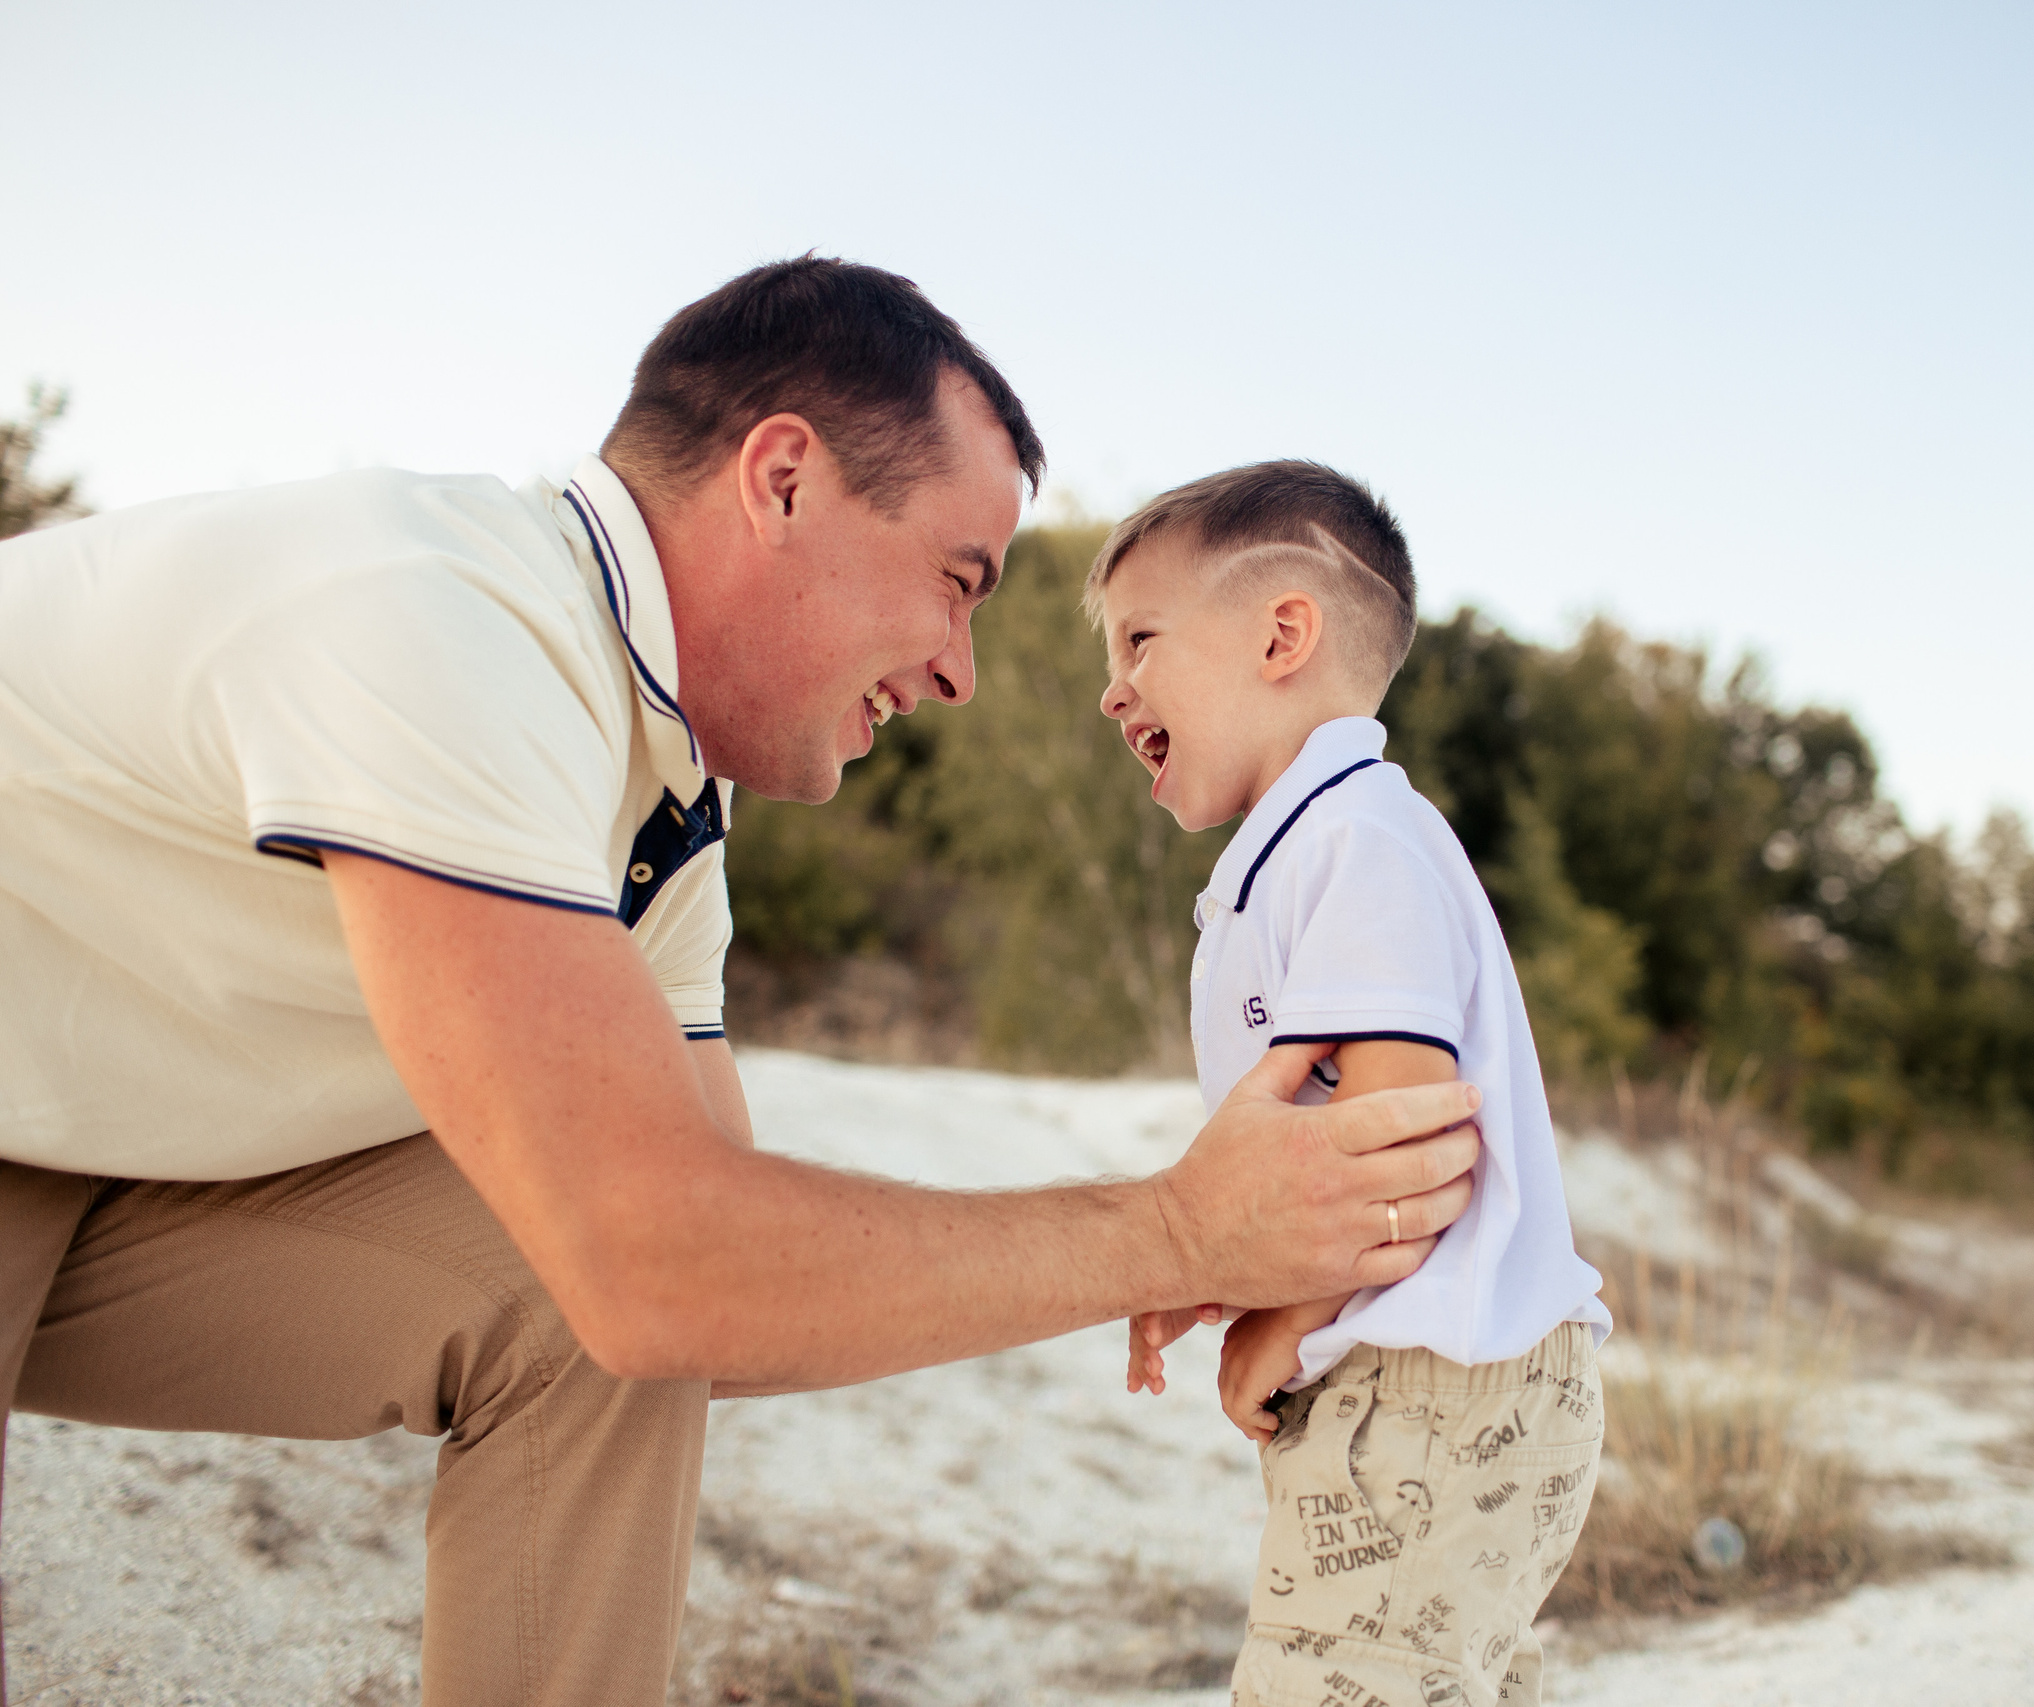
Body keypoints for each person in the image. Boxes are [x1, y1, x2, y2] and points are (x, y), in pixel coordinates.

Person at [0, 260, 1485, 1705]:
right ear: (781, 479)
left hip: (108, 1158)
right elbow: (669, 1258)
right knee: (628, 1276)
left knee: (594, 1319)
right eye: (957, 581)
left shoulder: (665, 809)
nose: (963, 669)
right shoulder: (441, 613)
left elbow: (719, 1288)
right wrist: (1167, 1229)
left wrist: (1170, 1249)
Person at [1096, 462, 1610, 1706]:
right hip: (1425, 1383)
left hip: (1429, 1385)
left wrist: (1281, 1317)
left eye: (1140, 642)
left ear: (1281, 634)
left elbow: (1400, 1146)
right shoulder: (1297, 851)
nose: (1114, 691)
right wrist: (1215, 1270)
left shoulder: (1354, 839)